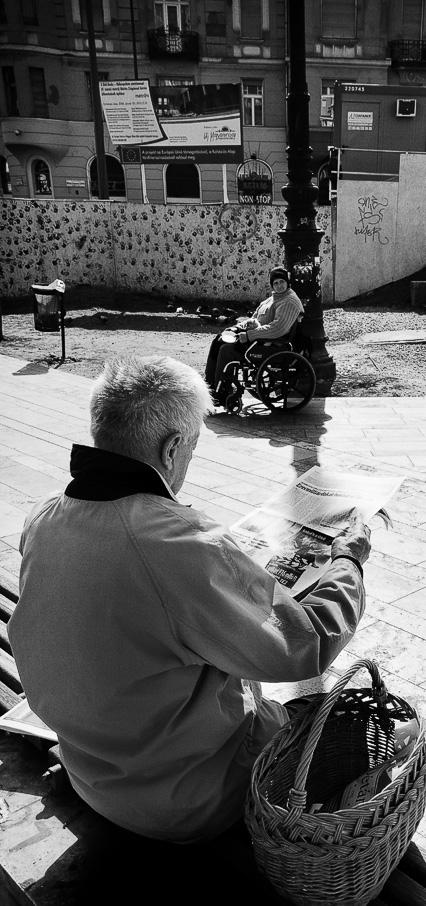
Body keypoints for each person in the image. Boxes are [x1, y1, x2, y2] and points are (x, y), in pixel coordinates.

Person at [8, 355, 370, 845]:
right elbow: (304, 647)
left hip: (93, 772)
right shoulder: (181, 544)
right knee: (346, 720)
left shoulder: (45, 514)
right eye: (195, 447)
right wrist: (348, 563)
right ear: (174, 446)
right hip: (189, 799)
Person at [204, 266, 304, 399]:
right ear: (272, 285)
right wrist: (236, 328)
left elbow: (278, 328)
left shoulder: (289, 301)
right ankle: (209, 385)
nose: (279, 286)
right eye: (275, 283)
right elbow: (253, 319)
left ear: (287, 282)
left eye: (282, 282)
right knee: (218, 340)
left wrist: (249, 335)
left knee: (226, 350)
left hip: (271, 344)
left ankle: (221, 390)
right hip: (259, 340)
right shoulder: (272, 299)